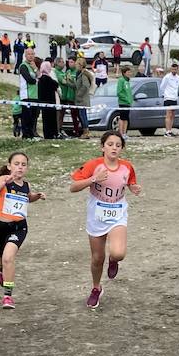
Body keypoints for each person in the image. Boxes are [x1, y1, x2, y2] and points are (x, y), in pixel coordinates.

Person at [70, 131, 141, 309]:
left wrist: (133, 188)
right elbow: (73, 187)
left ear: (122, 148)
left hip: (118, 213)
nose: (114, 148)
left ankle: (113, 260)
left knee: (118, 253)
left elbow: (130, 182)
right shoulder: (93, 165)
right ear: (103, 147)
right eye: (110, 144)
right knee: (97, 258)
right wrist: (94, 179)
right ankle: (96, 288)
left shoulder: (127, 167)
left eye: (118, 145)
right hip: (96, 214)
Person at [0, 152, 45, 310]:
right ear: (9, 166)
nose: (20, 167)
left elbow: (28, 197)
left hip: (18, 227)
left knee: (8, 258)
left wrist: (37, 196)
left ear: (27, 168)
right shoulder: (3, 180)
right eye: (16, 164)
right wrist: (3, 183)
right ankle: (0, 270)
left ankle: (7, 296)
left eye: (23, 165)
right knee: (0, 259)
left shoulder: (26, 185)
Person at [16, 48, 40, 140]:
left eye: (32, 54)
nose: (31, 56)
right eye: (29, 54)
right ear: (25, 55)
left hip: (35, 95)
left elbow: (40, 76)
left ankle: (32, 134)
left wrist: (35, 69)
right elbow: (29, 79)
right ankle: (26, 135)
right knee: (27, 117)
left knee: (33, 117)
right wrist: (36, 80)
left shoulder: (33, 66)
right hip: (26, 95)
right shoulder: (23, 66)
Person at [37, 59, 61, 140]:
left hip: (43, 102)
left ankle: (47, 134)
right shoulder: (48, 79)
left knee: (45, 120)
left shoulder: (40, 79)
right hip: (50, 101)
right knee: (51, 119)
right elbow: (56, 85)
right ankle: (52, 134)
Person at [70, 55, 93, 137]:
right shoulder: (78, 74)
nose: (75, 66)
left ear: (80, 65)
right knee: (81, 115)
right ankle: (85, 131)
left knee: (83, 115)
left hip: (82, 99)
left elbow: (85, 86)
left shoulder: (84, 74)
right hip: (79, 99)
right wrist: (68, 82)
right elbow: (76, 85)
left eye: (77, 64)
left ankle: (86, 132)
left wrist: (79, 94)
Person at [161, 63, 179, 135]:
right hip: (168, 97)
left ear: (177, 69)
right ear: (171, 69)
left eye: (175, 69)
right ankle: (167, 131)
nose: (174, 71)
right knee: (168, 114)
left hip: (174, 98)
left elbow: (176, 87)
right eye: (173, 69)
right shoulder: (167, 77)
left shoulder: (178, 78)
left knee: (172, 115)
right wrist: (165, 94)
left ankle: (170, 130)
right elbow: (162, 87)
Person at [115, 62, 134, 137]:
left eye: (130, 72)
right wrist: (125, 99)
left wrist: (130, 100)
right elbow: (119, 92)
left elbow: (128, 92)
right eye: (128, 72)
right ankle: (121, 133)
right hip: (123, 103)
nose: (129, 73)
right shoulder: (121, 80)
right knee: (122, 118)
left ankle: (124, 133)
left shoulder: (127, 81)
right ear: (124, 73)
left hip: (128, 103)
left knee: (126, 118)